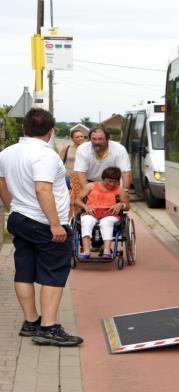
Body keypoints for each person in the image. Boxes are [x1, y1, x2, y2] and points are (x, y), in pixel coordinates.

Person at [0, 108, 83, 347]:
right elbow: (42, 189)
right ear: (51, 131)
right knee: (54, 273)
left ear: (24, 128)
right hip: (45, 223)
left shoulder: (7, 153)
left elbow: (2, 184)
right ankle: (48, 327)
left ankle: (30, 321)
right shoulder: (46, 156)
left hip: (19, 218)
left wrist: (13, 209)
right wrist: (55, 225)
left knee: (24, 269)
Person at [75, 167, 129, 258]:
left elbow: (127, 206)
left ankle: (106, 251)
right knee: (86, 221)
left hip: (109, 213)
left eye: (114, 181)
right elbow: (77, 200)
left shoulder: (119, 189)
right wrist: (85, 206)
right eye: (109, 181)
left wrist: (121, 204)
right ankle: (86, 251)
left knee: (106, 222)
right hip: (92, 212)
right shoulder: (90, 186)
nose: (111, 184)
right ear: (103, 178)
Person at [74, 127, 132, 192]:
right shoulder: (82, 149)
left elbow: (126, 172)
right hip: (90, 183)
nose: (97, 142)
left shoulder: (119, 149)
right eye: (94, 139)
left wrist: (125, 191)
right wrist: (88, 192)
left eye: (100, 139)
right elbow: (81, 172)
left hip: (112, 183)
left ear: (107, 139)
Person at [59, 130, 85, 218]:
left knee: (81, 201)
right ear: (72, 139)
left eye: (81, 136)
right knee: (69, 202)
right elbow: (58, 163)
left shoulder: (89, 150)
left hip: (83, 179)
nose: (80, 138)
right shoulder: (67, 149)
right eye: (77, 137)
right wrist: (64, 173)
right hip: (69, 178)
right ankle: (69, 221)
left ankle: (78, 221)